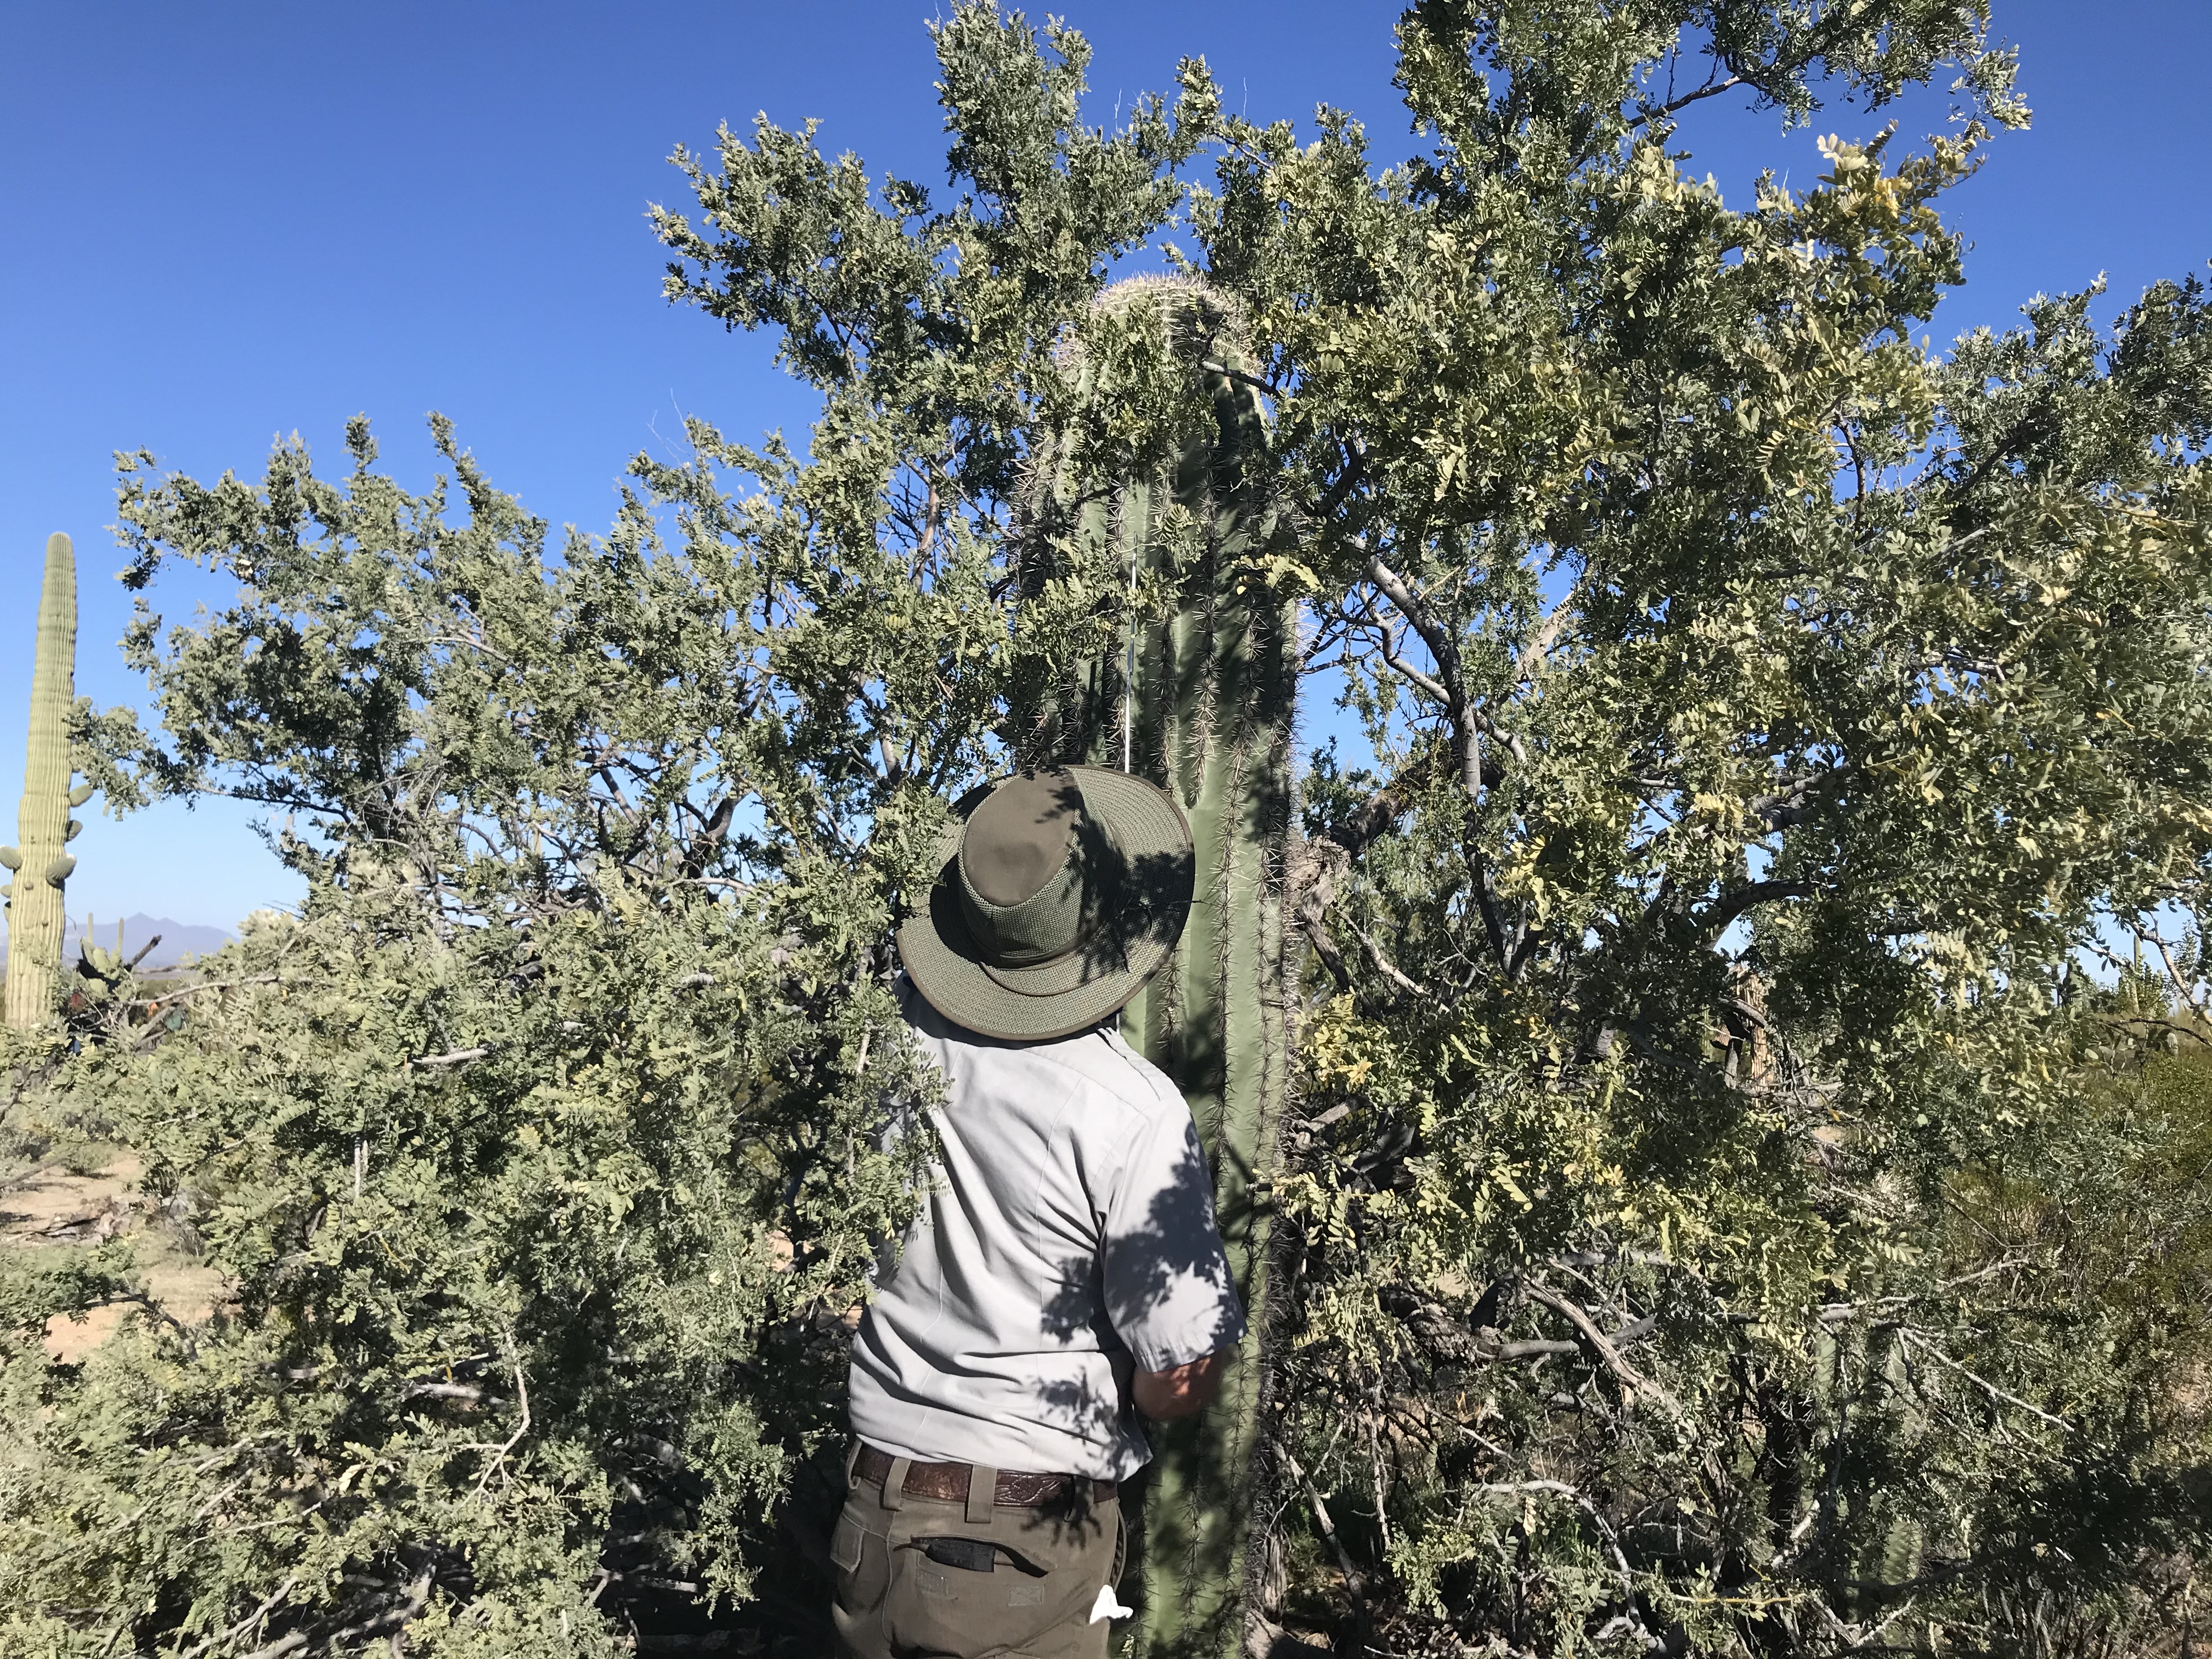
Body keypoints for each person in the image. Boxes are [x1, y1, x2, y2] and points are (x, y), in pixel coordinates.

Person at [831, 766, 1245, 1659]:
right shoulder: (1131, 1111)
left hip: (868, 1512)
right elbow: (1178, 1377)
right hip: (1019, 1553)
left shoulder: (891, 1043)